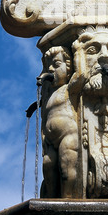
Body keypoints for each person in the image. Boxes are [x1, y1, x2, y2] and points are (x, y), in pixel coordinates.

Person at [40, 46, 78, 198]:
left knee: (66, 169)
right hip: (50, 140)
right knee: (48, 167)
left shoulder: (70, 88)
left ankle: (68, 198)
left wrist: (79, 49)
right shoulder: (48, 95)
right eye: (48, 66)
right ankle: (51, 201)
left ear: (69, 69)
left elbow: (81, 76)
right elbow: (44, 118)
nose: (51, 69)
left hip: (68, 136)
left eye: (56, 65)